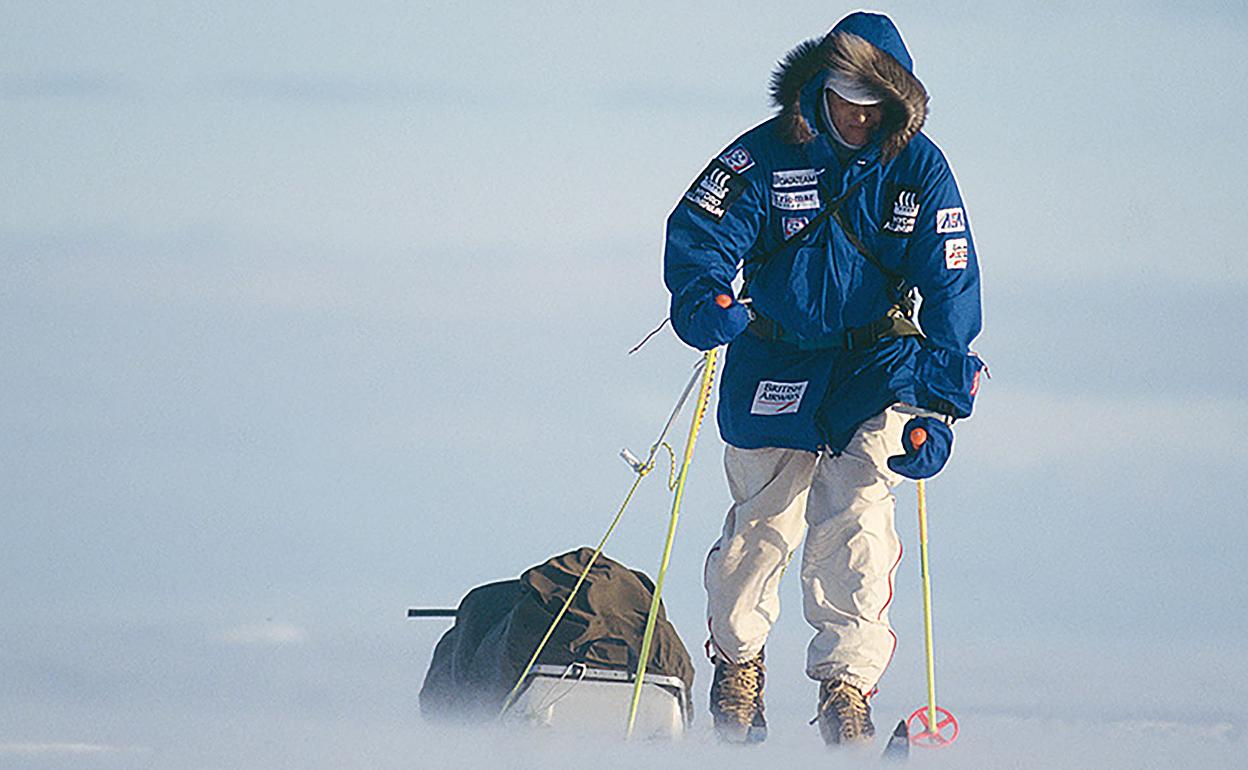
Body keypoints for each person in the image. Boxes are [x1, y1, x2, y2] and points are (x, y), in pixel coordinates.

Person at [662, 11, 985, 746]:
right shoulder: (764, 156)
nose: (858, 120)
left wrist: (938, 406)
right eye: (847, 104)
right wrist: (703, 300)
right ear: (820, 94)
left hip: (874, 364)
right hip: (773, 358)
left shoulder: (922, 169)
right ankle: (738, 669)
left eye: (874, 109)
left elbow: (952, 285)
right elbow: (702, 232)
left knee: (858, 520)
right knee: (761, 527)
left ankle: (847, 688)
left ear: (896, 105)